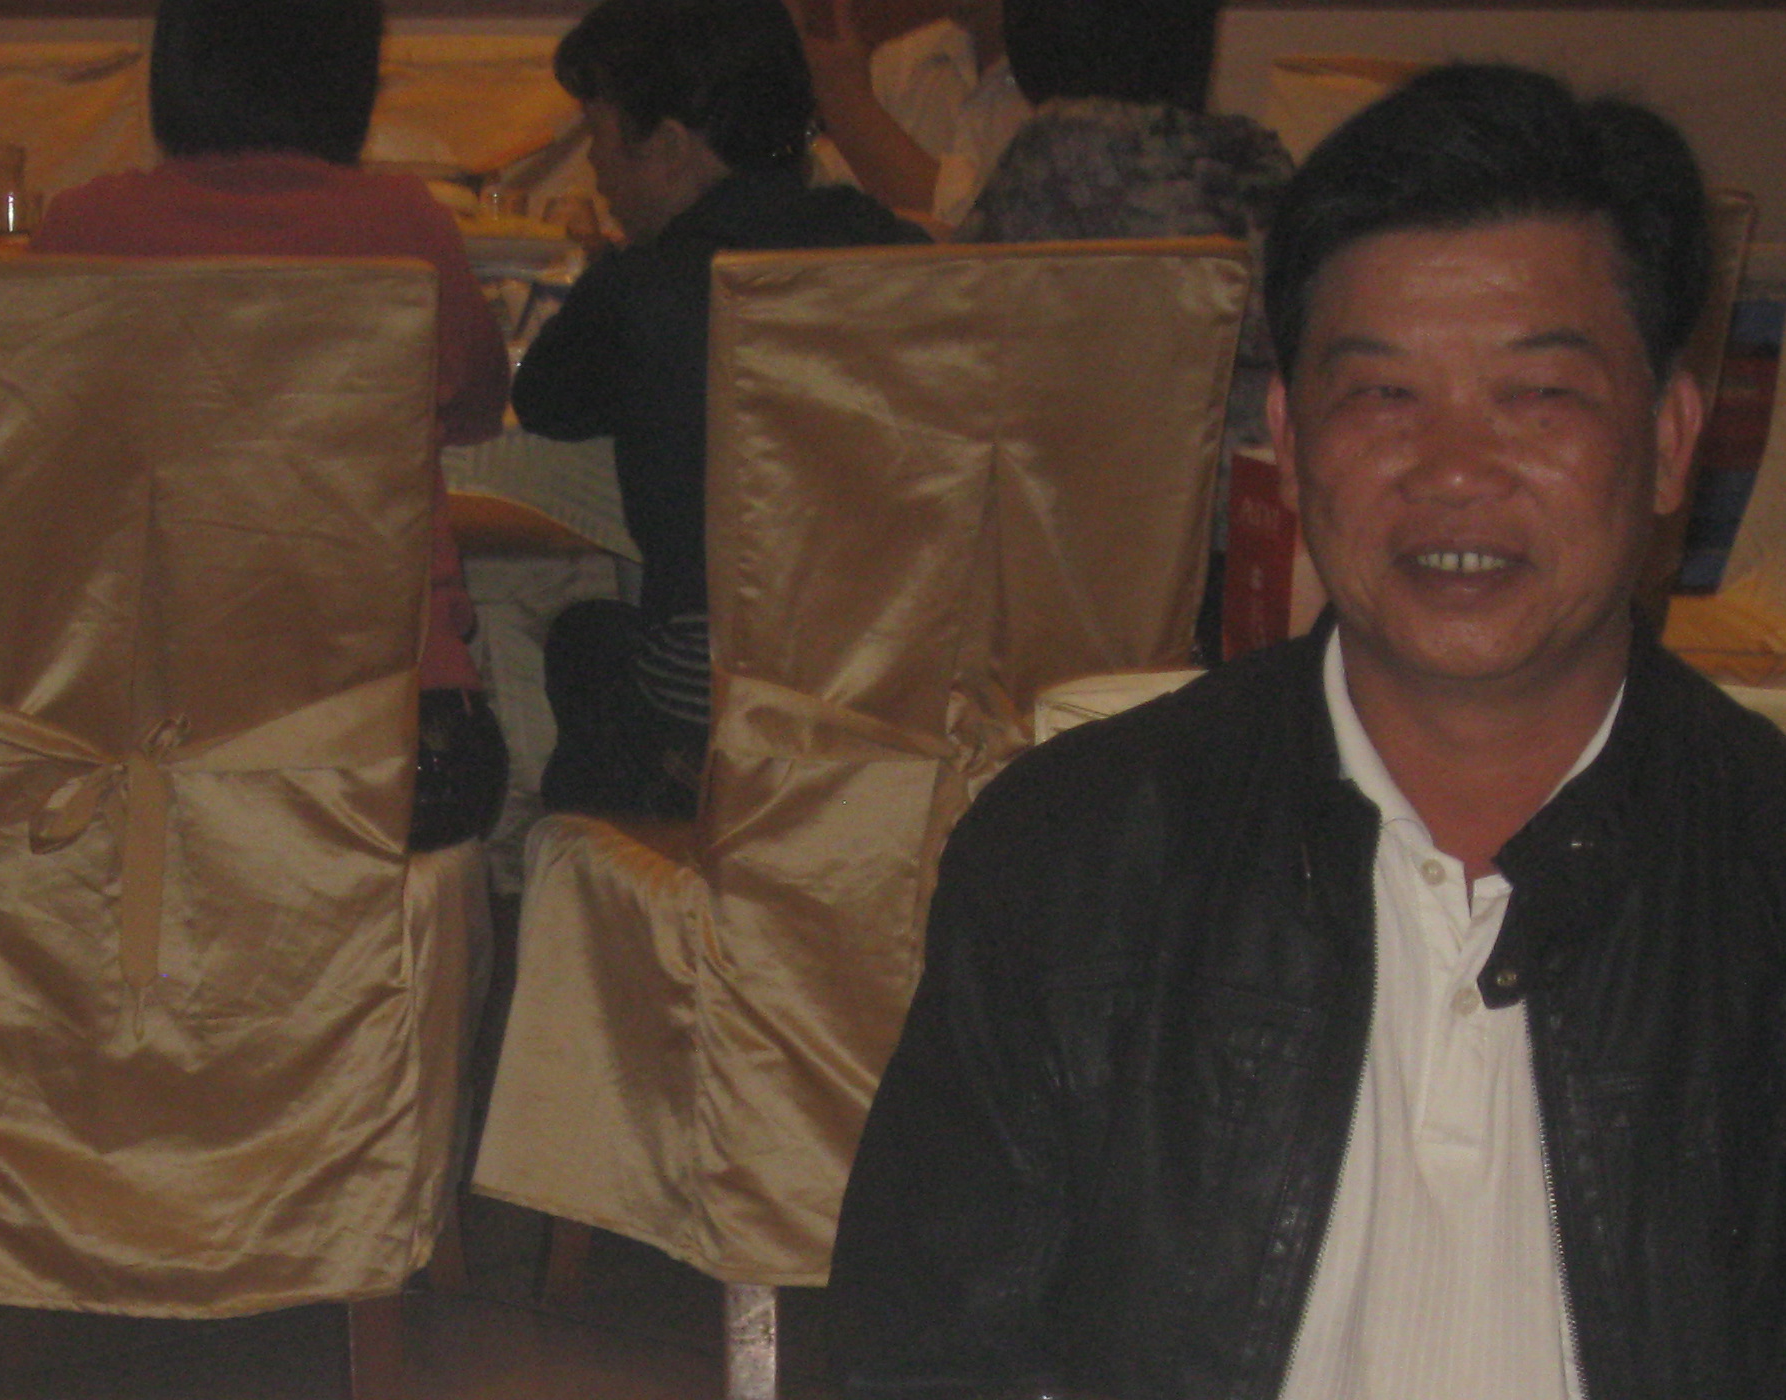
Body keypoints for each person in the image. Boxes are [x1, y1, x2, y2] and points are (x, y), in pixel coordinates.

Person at [829, 65, 1786, 1400]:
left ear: (1667, 442)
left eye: (1536, 396)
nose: (1452, 471)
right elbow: (924, 1399)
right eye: (1381, 398)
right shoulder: (1073, 858)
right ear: (1287, 443)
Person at [35, 0, 514, 851]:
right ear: (352, 77)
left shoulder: (83, 228)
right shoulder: (405, 225)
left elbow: (38, 453)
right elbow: (478, 407)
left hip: (137, 744)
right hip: (397, 755)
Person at [517, 0, 921, 821]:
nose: (593, 165)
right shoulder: (898, 253)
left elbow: (545, 401)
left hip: (710, 713)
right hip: (897, 690)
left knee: (584, 641)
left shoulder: (646, 290)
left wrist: (614, 271)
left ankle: (598, 878)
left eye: (599, 135)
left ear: (669, 148)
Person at [962, 1, 1288, 449]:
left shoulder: (1063, 149)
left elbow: (954, 313)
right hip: (1266, 466)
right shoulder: (1256, 155)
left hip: (1143, 473)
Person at [801, 0, 1027, 232]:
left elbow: (992, 230)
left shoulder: (1050, 81)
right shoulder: (903, 60)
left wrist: (847, 101)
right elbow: (834, 184)